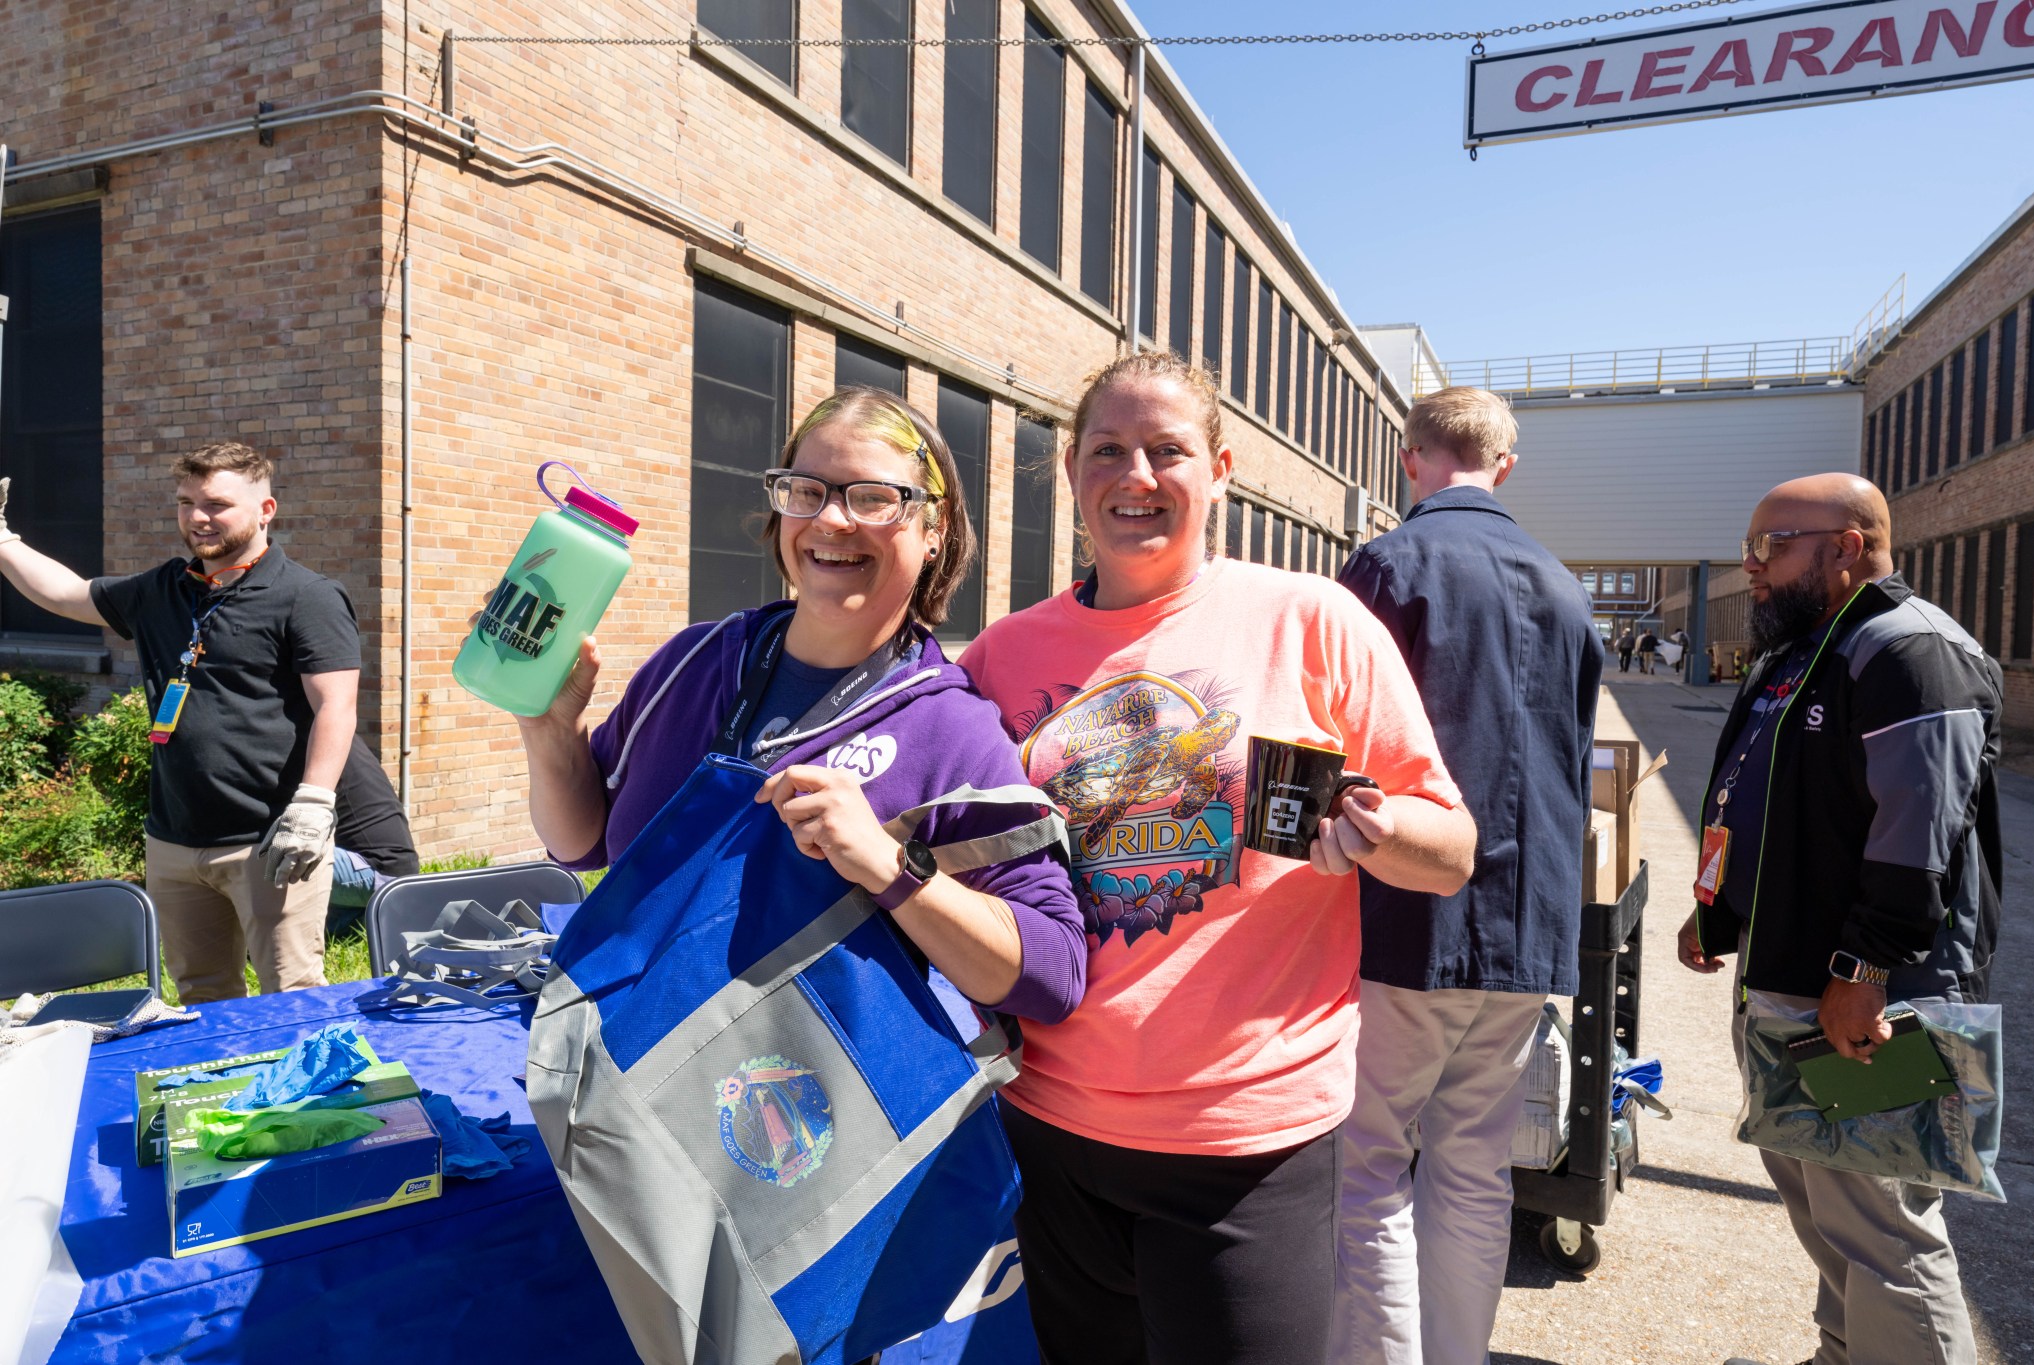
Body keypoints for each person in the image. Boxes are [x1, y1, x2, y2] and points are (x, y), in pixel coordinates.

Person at [960, 351, 1476, 1365]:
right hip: (1049, 1124)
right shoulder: (1001, 655)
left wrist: (1377, 828)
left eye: (1168, 451)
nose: (1136, 476)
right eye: (1107, 451)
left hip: (1248, 1139)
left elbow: (1449, 849)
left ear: (1222, 469)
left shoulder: (1310, 620)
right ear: (1070, 472)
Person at [513, 386, 1085, 1034]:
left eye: (872, 497)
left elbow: (1054, 972)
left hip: (797, 1119)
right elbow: (583, 842)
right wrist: (549, 729)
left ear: (934, 529)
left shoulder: (951, 731)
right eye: (808, 490)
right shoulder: (693, 661)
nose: (832, 520)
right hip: (620, 1085)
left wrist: (891, 865)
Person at [1680, 473, 1998, 1365]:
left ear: (1847, 543)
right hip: (1791, 984)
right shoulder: (1803, 652)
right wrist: (1717, 910)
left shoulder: (1907, 651)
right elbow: (1754, 794)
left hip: (1872, 1003)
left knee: (1886, 1229)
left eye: (1769, 546)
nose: (1752, 568)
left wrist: (1863, 973)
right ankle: (1846, 1353)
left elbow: (1917, 837)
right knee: (1829, 1210)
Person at [1331, 387, 1603, 1365]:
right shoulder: (1566, 587)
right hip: (1524, 928)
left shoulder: (1388, 566)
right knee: (1474, 1169)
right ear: (1505, 466)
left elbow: (1336, 744)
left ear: (1409, 460)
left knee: (1361, 1167)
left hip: (1402, 915)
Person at [0, 444, 360, 1003]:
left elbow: (336, 705)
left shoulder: (306, 596)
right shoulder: (164, 588)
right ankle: (221, 1090)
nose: (197, 517)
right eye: (186, 502)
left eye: (217, 504)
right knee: (199, 992)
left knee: (292, 996)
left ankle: (306, 1094)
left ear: (266, 509)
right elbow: (68, 595)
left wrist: (314, 804)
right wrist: (3, 542)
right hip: (172, 839)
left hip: (269, 840)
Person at [328, 735, 421, 920]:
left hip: (377, 871)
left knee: (270, 848)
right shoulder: (347, 739)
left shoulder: (321, 745)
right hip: (398, 875)